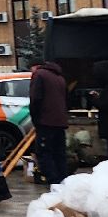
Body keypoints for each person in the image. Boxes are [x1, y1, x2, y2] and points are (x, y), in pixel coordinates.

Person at [28, 56, 70, 185]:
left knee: (44, 152)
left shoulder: (39, 75)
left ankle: (53, 181)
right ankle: (63, 180)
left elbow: (35, 99)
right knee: (59, 153)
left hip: (45, 121)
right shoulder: (60, 77)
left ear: (35, 67)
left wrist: (36, 120)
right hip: (60, 122)